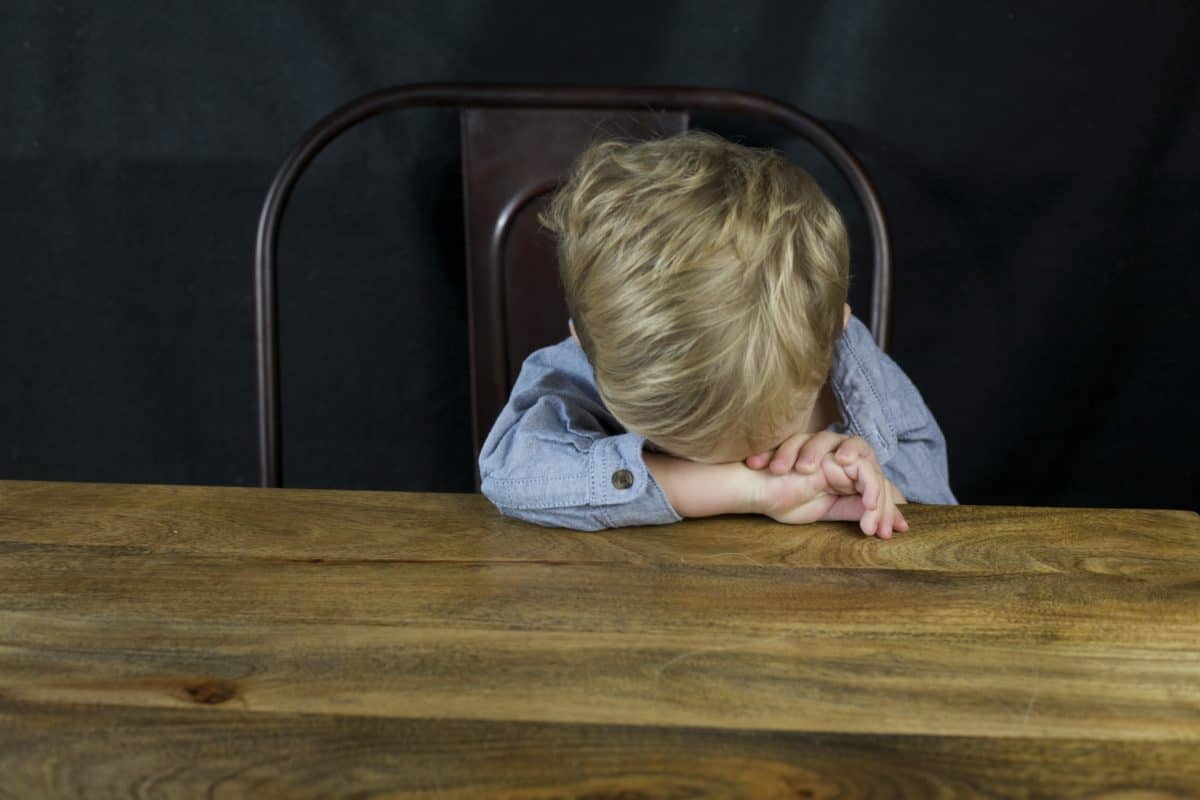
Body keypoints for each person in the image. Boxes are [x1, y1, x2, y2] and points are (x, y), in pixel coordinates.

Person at [478, 131, 955, 535]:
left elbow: (942, 511)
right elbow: (510, 474)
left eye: (759, 450)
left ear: (833, 334)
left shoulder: (852, 373)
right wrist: (743, 490)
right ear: (586, 348)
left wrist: (870, 486)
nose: (740, 464)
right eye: (680, 448)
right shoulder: (604, 355)